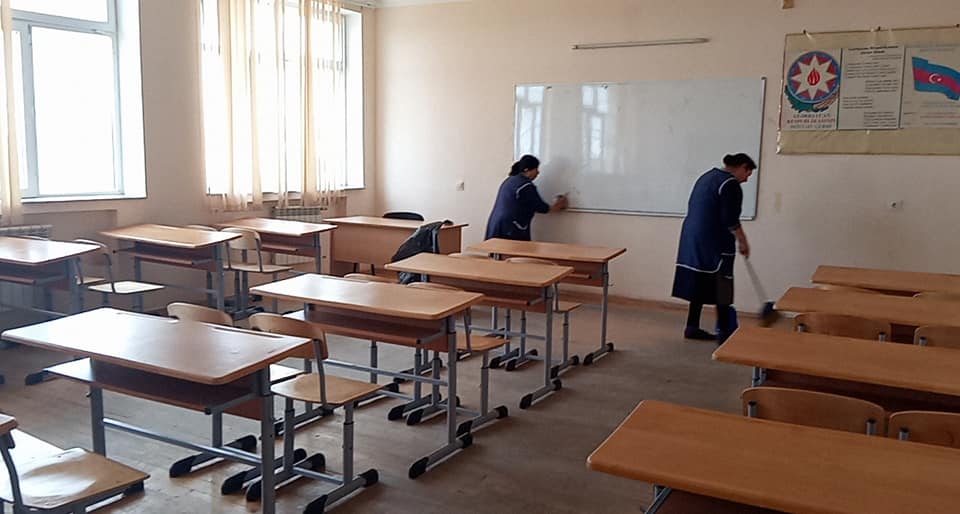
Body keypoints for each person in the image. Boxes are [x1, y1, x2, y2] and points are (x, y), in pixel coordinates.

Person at [672, 153, 756, 344]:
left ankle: (692, 326)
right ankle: (725, 333)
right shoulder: (730, 184)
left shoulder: (707, 177)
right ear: (742, 166)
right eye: (748, 174)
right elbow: (730, 219)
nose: (746, 180)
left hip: (692, 238)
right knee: (722, 284)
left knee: (699, 282)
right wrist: (743, 241)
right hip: (714, 241)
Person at [485, 155, 567, 241]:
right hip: (509, 228)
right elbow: (540, 207)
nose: (538, 172)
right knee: (513, 250)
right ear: (527, 170)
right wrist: (557, 206)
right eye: (536, 169)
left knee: (496, 248)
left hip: (497, 224)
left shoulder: (510, 180)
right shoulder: (525, 186)